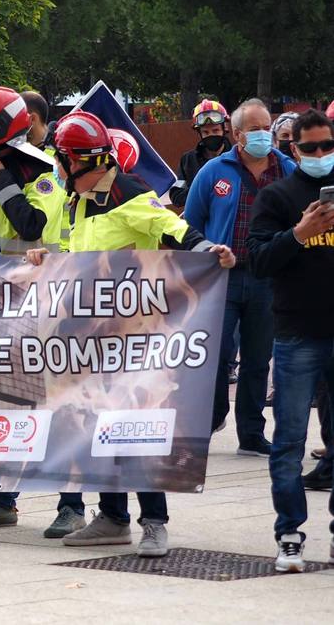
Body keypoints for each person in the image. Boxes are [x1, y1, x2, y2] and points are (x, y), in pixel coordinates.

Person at [30, 110, 235, 559]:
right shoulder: (77, 200)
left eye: (60, 160)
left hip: (132, 337)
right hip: (88, 338)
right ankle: (112, 517)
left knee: (133, 428)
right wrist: (47, 259)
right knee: (94, 424)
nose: (57, 168)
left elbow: (172, 228)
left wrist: (208, 251)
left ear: (76, 161)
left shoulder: (129, 193)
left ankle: (154, 522)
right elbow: (80, 256)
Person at [0, 88, 82, 536]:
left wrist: (0, 179)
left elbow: (31, 227)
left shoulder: (41, 171)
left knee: (57, 407)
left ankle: (72, 505)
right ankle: (2, 501)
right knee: (3, 404)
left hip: (43, 305)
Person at [246, 108, 334, 572]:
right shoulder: (277, 196)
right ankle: (289, 535)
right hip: (297, 333)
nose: (320, 154)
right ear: (294, 150)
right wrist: (299, 234)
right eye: (310, 148)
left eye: (327, 146)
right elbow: (259, 260)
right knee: (289, 440)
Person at [184, 98, 292, 456]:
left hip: (269, 279)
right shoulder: (213, 172)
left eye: (267, 128)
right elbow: (190, 225)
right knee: (214, 356)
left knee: (258, 360)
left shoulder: (287, 170)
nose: (263, 135)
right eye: (254, 129)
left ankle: (251, 434)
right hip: (222, 278)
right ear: (237, 134)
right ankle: (208, 421)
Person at [172, 99, 230, 207]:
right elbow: (176, 196)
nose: (211, 135)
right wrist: (201, 190)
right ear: (199, 133)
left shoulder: (237, 157)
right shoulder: (188, 160)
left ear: (224, 128)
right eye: (206, 132)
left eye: (215, 130)